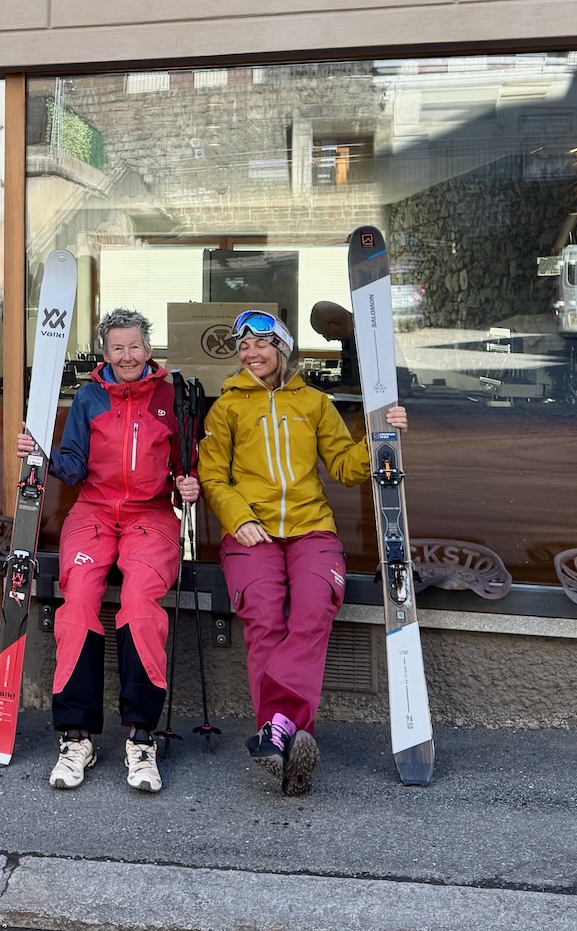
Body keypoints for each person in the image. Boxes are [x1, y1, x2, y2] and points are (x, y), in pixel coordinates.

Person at [197, 308, 407, 797]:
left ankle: (276, 730)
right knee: (264, 617)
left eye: (261, 344)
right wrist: (239, 519)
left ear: (282, 349)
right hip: (250, 531)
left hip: (311, 528)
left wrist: (382, 434)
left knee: (314, 611)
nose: (251, 353)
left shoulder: (314, 403)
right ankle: (292, 735)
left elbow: (345, 467)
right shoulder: (226, 408)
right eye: (244, 347)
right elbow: (213, 477)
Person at [14, 309, 201, 795]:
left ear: (148, 348)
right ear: (105, 353)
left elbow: (188, 460)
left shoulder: (171, 396)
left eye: (134, 346)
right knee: (77, 602)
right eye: (118, 348)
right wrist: (41, 455)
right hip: (93, 513)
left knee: (139, 603)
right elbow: (74, 468)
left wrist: (190, 482)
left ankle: (141, 738)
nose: (127, 356)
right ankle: (76, 738)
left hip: (151, 517)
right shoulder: (90, 397)